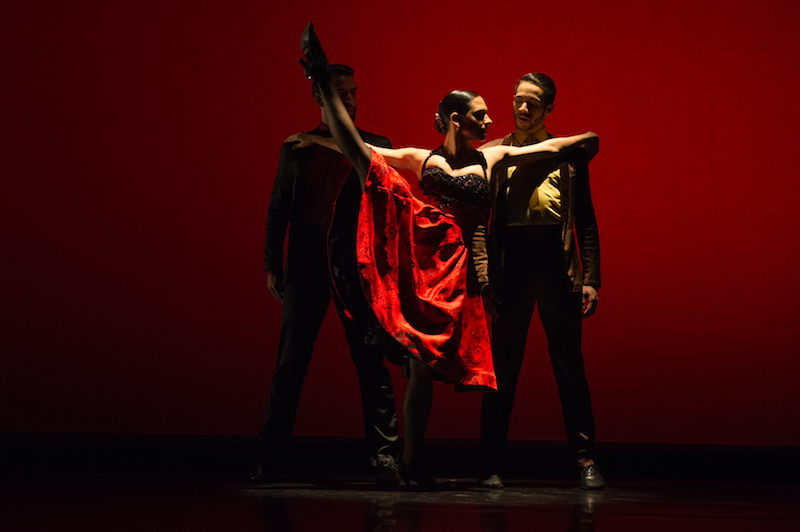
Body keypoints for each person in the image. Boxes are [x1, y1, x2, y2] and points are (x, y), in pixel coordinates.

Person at [291, 23, 598, 490]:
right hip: (424, 262)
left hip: (461, 272)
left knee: (435, 369)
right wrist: (320, 137)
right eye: (481, 114)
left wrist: (585, 140)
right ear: (457, 120)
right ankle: (416, 460)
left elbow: (554, 148)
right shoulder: (424, 158)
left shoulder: (491, 159)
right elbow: (363, 149)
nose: (494, 120)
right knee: (421, 367)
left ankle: (419, 459)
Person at [256, 62, 401, 486]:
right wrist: (272, 264)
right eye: (341, 93)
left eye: (354, 91)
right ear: (320, 98)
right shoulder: (297, 148)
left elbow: (387, 212)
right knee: (290, 366)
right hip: (305, 266)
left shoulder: (375, 146)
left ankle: (384, 457)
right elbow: (279, 207)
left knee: (371, 363)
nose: (351, 100)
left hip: (358, 274)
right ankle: (270, 457)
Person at [473, 73, 604, 490]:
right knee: (502, 372)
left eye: (532, 102)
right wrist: (483, 277)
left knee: (570, 368)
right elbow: (480, 222)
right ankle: (491, 463)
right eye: (517, 100)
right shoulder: (492, 152)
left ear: (548, 108)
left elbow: (584, 218)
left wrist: (591, 279)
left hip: (556, 266)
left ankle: (585, 459)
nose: (522, 108)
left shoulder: (568, 154)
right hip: (512, 268)